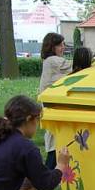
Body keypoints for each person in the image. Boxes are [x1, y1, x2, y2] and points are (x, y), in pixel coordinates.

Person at [39, 33, 72, 169]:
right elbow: (74, 66)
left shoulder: (49, 61)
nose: (63, 48)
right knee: (54, 138)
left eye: (63, 44)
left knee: (53, 137)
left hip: (49, 102)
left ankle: (50, 171)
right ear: (51, 47)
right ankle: (48, 173)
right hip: (50, 104)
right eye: (60, 45)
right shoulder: (53, 60)